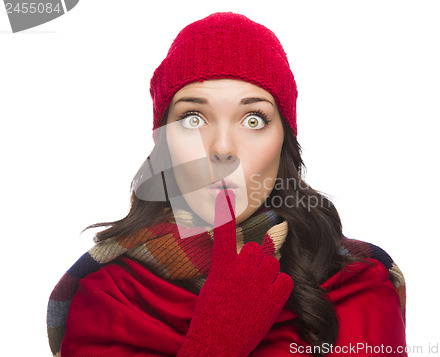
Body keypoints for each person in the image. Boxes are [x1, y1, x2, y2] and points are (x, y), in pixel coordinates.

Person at [46, 12, 407, 357]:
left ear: (284, 142)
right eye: (192, 118)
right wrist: (215, 346)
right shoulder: (108, 294)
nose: (221, 149)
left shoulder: (356, 283)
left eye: (253, 119)